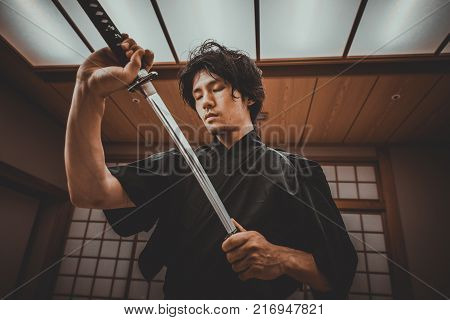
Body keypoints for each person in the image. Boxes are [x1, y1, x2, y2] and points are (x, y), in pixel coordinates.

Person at [65, 35, 357, 299]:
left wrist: (280, 258)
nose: (205, 102)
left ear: (249, 96)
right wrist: (88, 92)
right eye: (198, 95)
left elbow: (336, 274)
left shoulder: (296, 171)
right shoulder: (180, 163)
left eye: (216, 88)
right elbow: (90, 192)